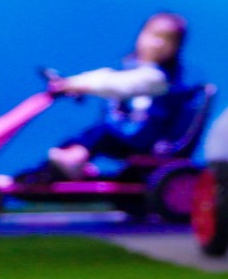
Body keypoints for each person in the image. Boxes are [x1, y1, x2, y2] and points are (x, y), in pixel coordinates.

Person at [43, 12, 191, 176]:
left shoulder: (159, 79)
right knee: (81, 137)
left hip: (146, 140)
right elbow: (110, 78)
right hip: (130, 134)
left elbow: (120, 84)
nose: (158, 43)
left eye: (168, 39)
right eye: (154, 35)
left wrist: (76, 84)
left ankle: (73, 161)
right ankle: (54, 169)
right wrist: (72, 83)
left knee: (103, 132)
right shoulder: (132, 67)